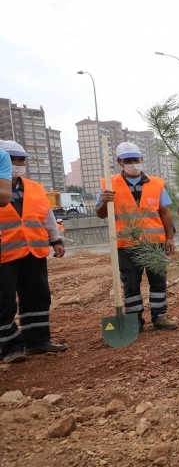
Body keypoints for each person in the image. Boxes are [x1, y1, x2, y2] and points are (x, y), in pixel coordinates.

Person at [96, 142, 178, 332]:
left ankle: (160, 317)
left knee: (158, 280)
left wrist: (170, 238)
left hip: (154, 243)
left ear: (141, 159)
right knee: (131, 283)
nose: (133, 163)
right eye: (128, 160)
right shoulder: (108, 184)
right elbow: (101, 214)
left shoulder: (156, 183)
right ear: (119, 162)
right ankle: (135, 320)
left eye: (135, 159)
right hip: (125, 244)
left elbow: (165, 212)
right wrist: (104, 202)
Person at [0, 140, 67, 364]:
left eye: (21, 159)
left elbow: (47, 217)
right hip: (4, 255)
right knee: (4, 301)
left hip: (34, 253)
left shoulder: (36, 188)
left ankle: (37, 341)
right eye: (13, 159)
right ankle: (10, 347)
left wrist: (56, 240)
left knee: (37, 297)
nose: (19, 163)